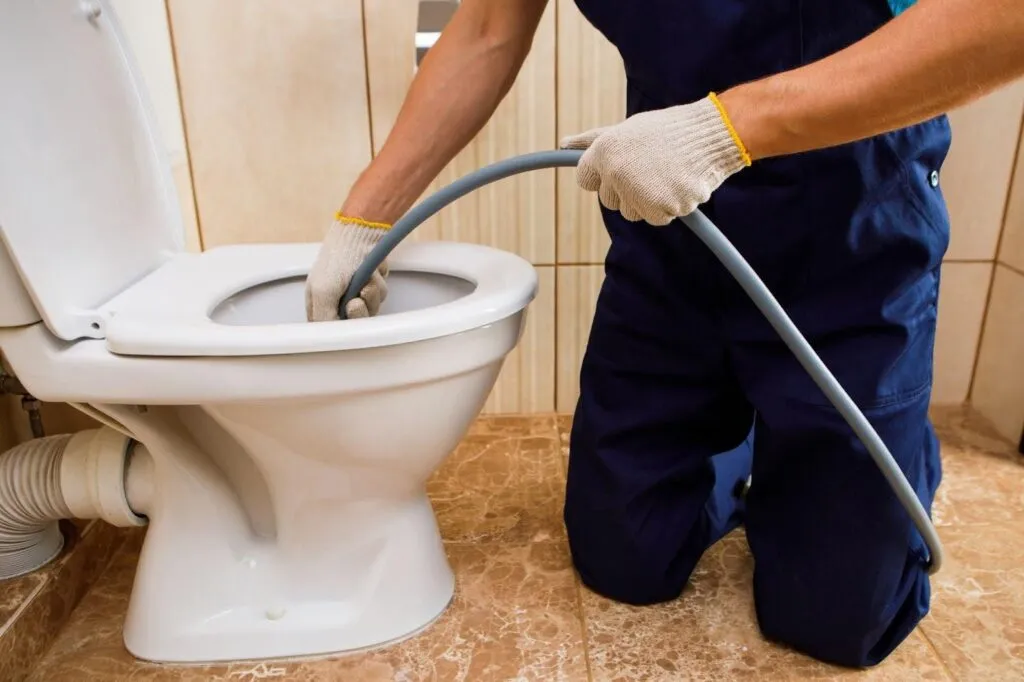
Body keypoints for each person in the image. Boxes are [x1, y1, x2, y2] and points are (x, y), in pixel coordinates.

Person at [305, 0, 1024, 668]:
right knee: (624, 558)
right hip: (671, 231)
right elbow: (489, 26)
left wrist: (729, 129)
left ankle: (839, 459)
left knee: (843, 617)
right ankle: (749, 439)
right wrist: (367, 219)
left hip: (850, 230)